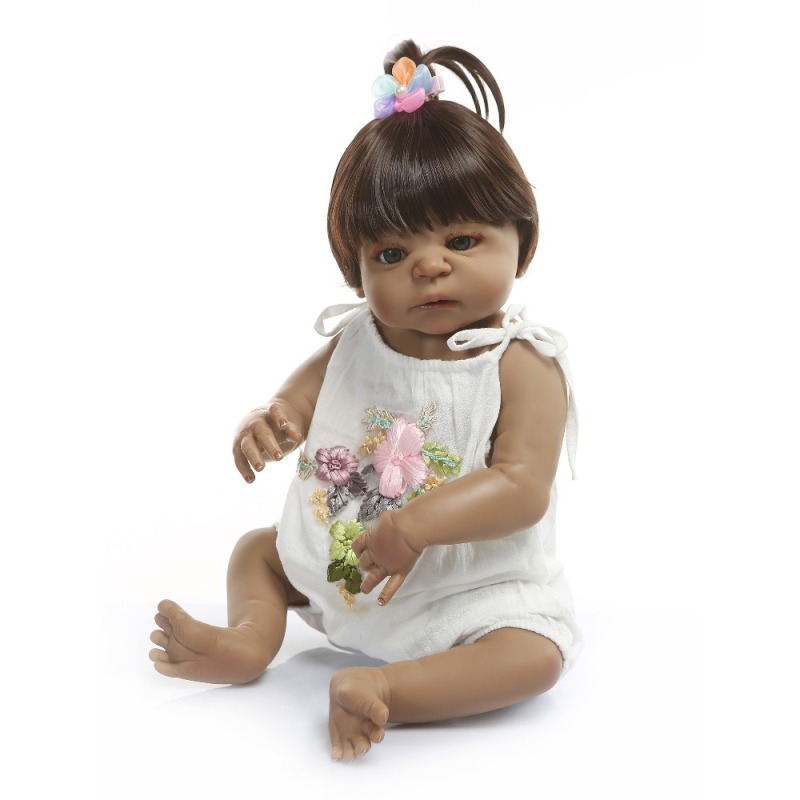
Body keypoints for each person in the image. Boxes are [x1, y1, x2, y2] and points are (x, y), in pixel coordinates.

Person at [150, 38, 581, 762]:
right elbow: (302, 393)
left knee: (535, 657)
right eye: (392, 254)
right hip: (343, 569)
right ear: (356, 270)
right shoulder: (361, 338)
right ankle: (250, 639)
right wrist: (273, 420)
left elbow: (522, 489)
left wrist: (414, 527)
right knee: (259, 552)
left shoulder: (521, 365)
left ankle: (387, 689)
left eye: (462, 239)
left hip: (463, 591)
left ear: (522, 241)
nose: (429, 266)